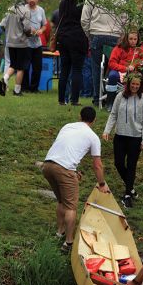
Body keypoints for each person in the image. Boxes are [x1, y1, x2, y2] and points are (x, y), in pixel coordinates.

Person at [42, 107, 110, 253]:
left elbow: (64, 148)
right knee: (71, 207)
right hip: (64, 169)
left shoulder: (67, 126)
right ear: (94, 120)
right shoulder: (93, 137)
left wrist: (73, 171)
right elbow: (97, 165)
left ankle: (59, 233)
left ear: (79, 117)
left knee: (61, 201)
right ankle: (69, 243)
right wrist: (102, 184)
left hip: (47, 165)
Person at [102, 73, 143, 208]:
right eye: (133, 84)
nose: (135, 86)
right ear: (128, 84)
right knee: (118, 163)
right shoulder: (120, 96)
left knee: (131, 165)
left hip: (136, 137)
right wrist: (107, 130)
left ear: (140, 85)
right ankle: (131, 188)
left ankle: (128, 194)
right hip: (120, 136)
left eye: (137, 84)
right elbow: (113, 114)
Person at [81, 0, 126, 106]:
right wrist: (122, 35)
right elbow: (125, 19)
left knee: (96, 69)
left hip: (96, 34)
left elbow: (84, 19)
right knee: (115, 67)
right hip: (115, 35)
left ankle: (97, 98)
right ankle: (113, 97)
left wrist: (89, 34)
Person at [0, 0, 35, 97]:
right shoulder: (25, 11)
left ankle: (5, 78)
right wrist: (31, 34)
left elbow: (2, 25)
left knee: (13, 64)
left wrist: (10, 32)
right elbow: (27, 29)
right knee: (21, 67)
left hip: (10, 42)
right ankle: (17, 91)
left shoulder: (10, 9)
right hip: (21, 43)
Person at [56, 0, 88, 106]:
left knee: (64, 70)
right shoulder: (82, 3)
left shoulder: (63, 2)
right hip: (77, 37)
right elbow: (85, 20)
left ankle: (61, 99)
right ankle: (74, 100)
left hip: (63, 37)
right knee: (77, 69)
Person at [105, 29, 143, 111]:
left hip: (134, 71)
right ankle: (110, 102)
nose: (133, 41)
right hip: (119, 70)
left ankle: (137, 103)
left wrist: (135, 65)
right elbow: (111, 63)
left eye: (135, 39)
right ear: (126, 39)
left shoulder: (140, 48)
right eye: (131, 39)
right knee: (112, 76)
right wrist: (124, 68)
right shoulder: (119, 48)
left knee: (138, 78)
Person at [22, 0, 47, 93]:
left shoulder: (41, 10)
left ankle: (34, 88)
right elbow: (19, 24)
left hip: (37, 43)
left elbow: (45, 24)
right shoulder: (23, 9)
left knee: (38, 67)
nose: (31, 0)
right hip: (26, 42)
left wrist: (41, 30)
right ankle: (25, 87)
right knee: (25, 66)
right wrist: (28, 29)